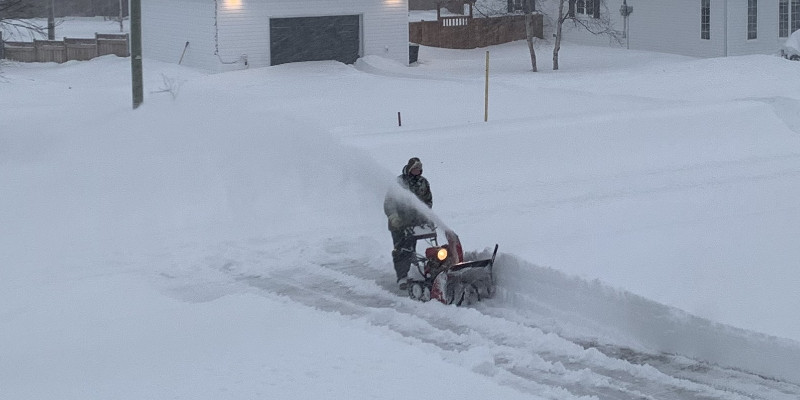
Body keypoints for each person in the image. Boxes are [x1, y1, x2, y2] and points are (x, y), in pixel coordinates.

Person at [384, 157, 433, 290]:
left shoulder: (423, 182)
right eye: (415, 168)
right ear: (410, 168)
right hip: (398, 224)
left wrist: (426, 215)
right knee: (401, 250)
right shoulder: (399, 182)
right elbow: (389, 202)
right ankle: (402, 277)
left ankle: (420, 270)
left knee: (411, 248)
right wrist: (394, 217)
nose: (417, 171)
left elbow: (428, 201)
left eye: (419, 168)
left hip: (415, 223)